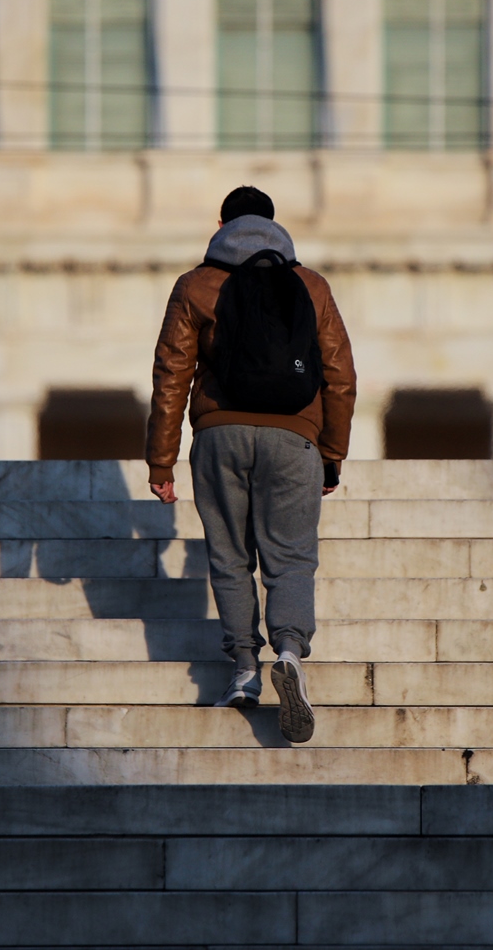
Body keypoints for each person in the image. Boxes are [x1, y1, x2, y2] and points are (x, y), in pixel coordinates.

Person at [145, 185, 356, 744]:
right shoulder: (310, 286)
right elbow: (339, 375)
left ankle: (243, 669)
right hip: (294, 438)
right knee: (289, 558)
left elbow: (171, 374)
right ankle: (288, 650)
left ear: (221, 224)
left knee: (230, 556)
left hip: (220, 435)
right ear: (273, 225)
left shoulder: (197, 284)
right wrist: (332, 455)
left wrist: (161, 462)